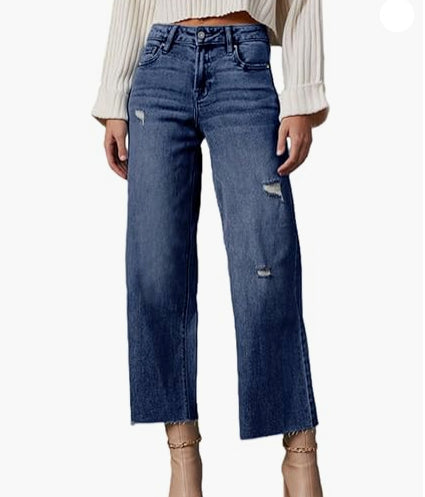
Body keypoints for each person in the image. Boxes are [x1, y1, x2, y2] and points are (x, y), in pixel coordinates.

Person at [91, 2, 330, 496]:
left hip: (243, 63)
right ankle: (183, 455)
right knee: (155, 267)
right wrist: (114, 96)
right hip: (159, 62)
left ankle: (300, 451)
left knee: (266, 260)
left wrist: (302, 94)